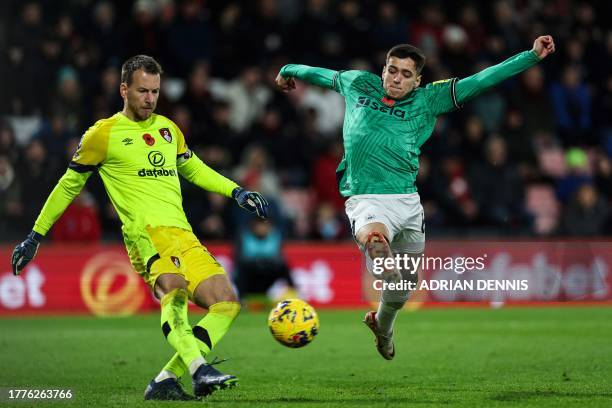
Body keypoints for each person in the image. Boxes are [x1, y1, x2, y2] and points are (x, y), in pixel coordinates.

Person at [276, 36, 555, 360]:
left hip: (408, 203)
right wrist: (288, 69)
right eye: (392, 70)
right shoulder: (358, 85)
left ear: (418, 79)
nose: (396, 78)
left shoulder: (429, 99)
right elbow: (319, 74)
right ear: (383, 70)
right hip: (366, 197)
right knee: (375, 238)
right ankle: (381, 256)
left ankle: (383, 326)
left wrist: (531, 56)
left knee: (403, 288)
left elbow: (483, 80)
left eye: (406, 74)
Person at [11, 55, 270, 400]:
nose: (150, 99)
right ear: (124, 90)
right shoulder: (102, 135)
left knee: (226, 302)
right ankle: (198, 369)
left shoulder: (167, 129)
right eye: (143, 91)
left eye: (155, 91)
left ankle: (166, 379)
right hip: (145, 235)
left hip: (183, 233)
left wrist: (235, 190)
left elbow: (194, 169)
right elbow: (67, 186)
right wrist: (35, 236)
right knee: (174, 290)